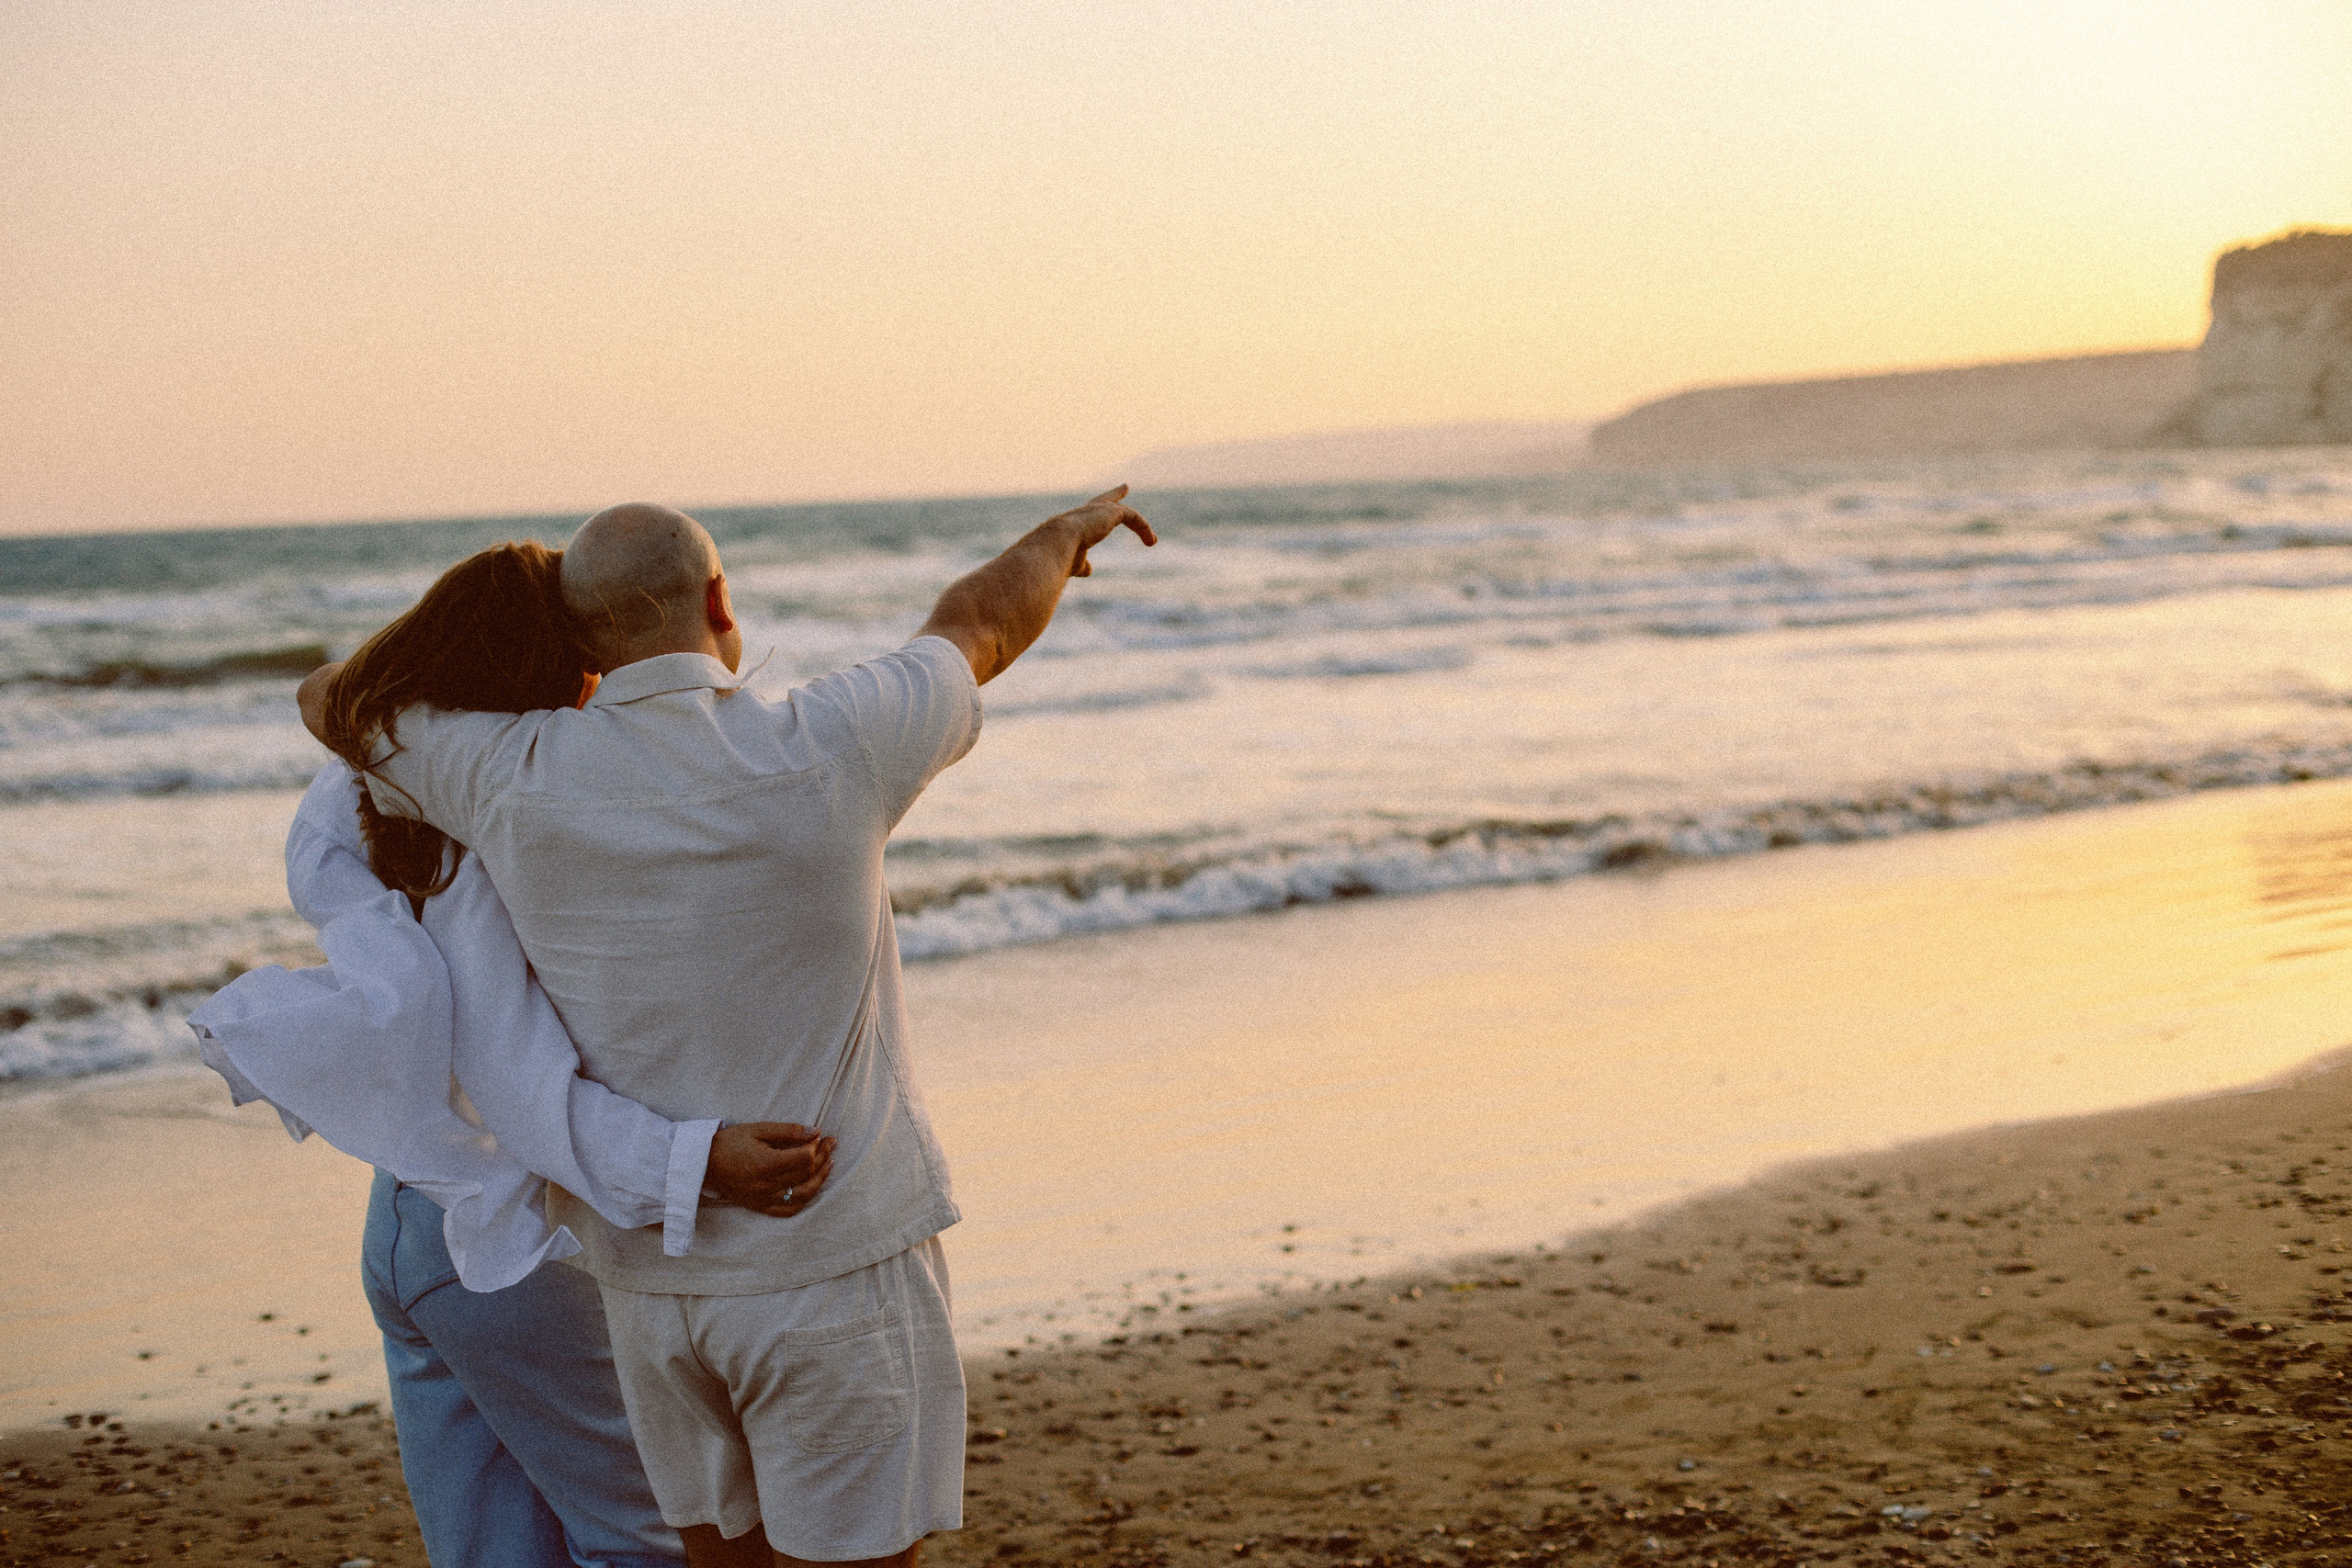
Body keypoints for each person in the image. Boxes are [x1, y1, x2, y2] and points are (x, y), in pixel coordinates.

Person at [295, 488, 1157, 1568]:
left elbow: (331, 696)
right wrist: (1059, 538)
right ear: (717, 598)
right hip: (834, 1264)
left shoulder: (499, 773)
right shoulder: (832, 740)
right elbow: (978, 625)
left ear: (584, 639)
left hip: (654, 1298)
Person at [193, 542, 839, 1568]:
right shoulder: (488, 830)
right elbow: (513, 1074)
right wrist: (694, 1159)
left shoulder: (359, 785)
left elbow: (329, 693)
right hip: (506, 1233)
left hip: (413, 1218)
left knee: (494, 1546)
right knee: (649, 1539)